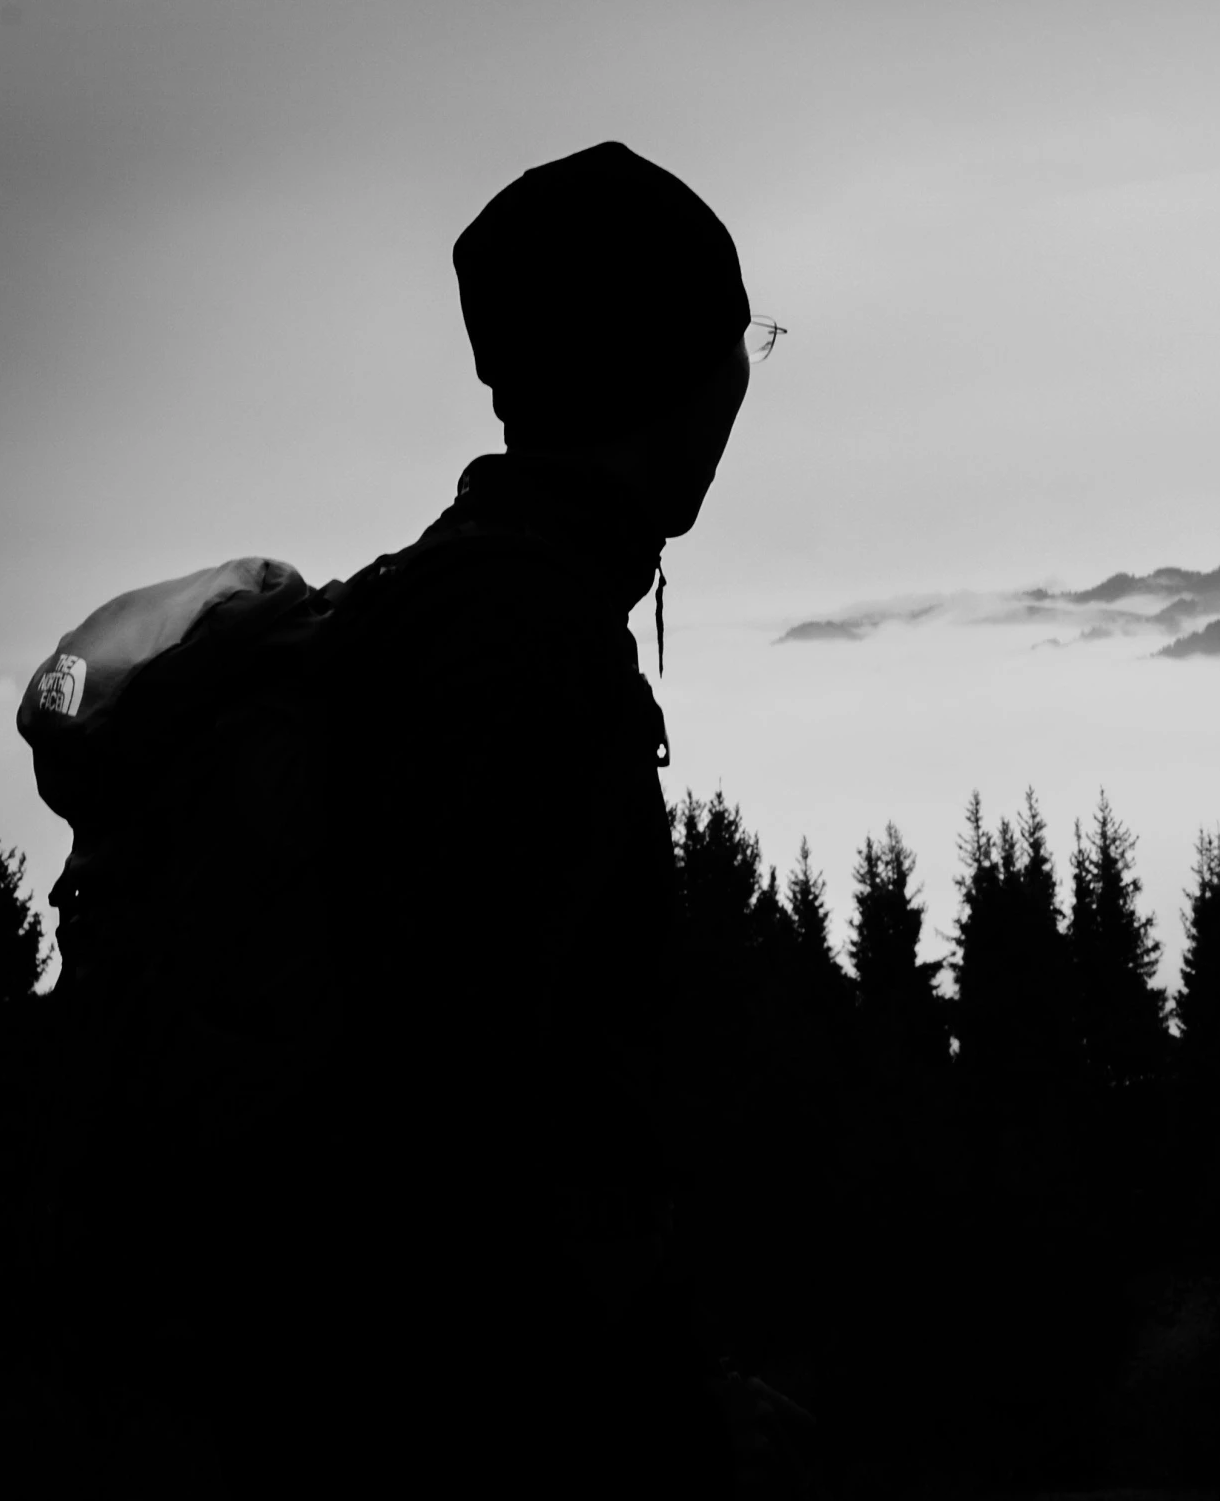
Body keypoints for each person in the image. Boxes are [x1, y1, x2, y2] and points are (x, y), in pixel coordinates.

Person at [220, 141, 766, 1493]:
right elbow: (470, 1118)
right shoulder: (520, 647)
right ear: (676, 376)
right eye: (739, 343)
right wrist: (658, 1423)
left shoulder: (443, 601)